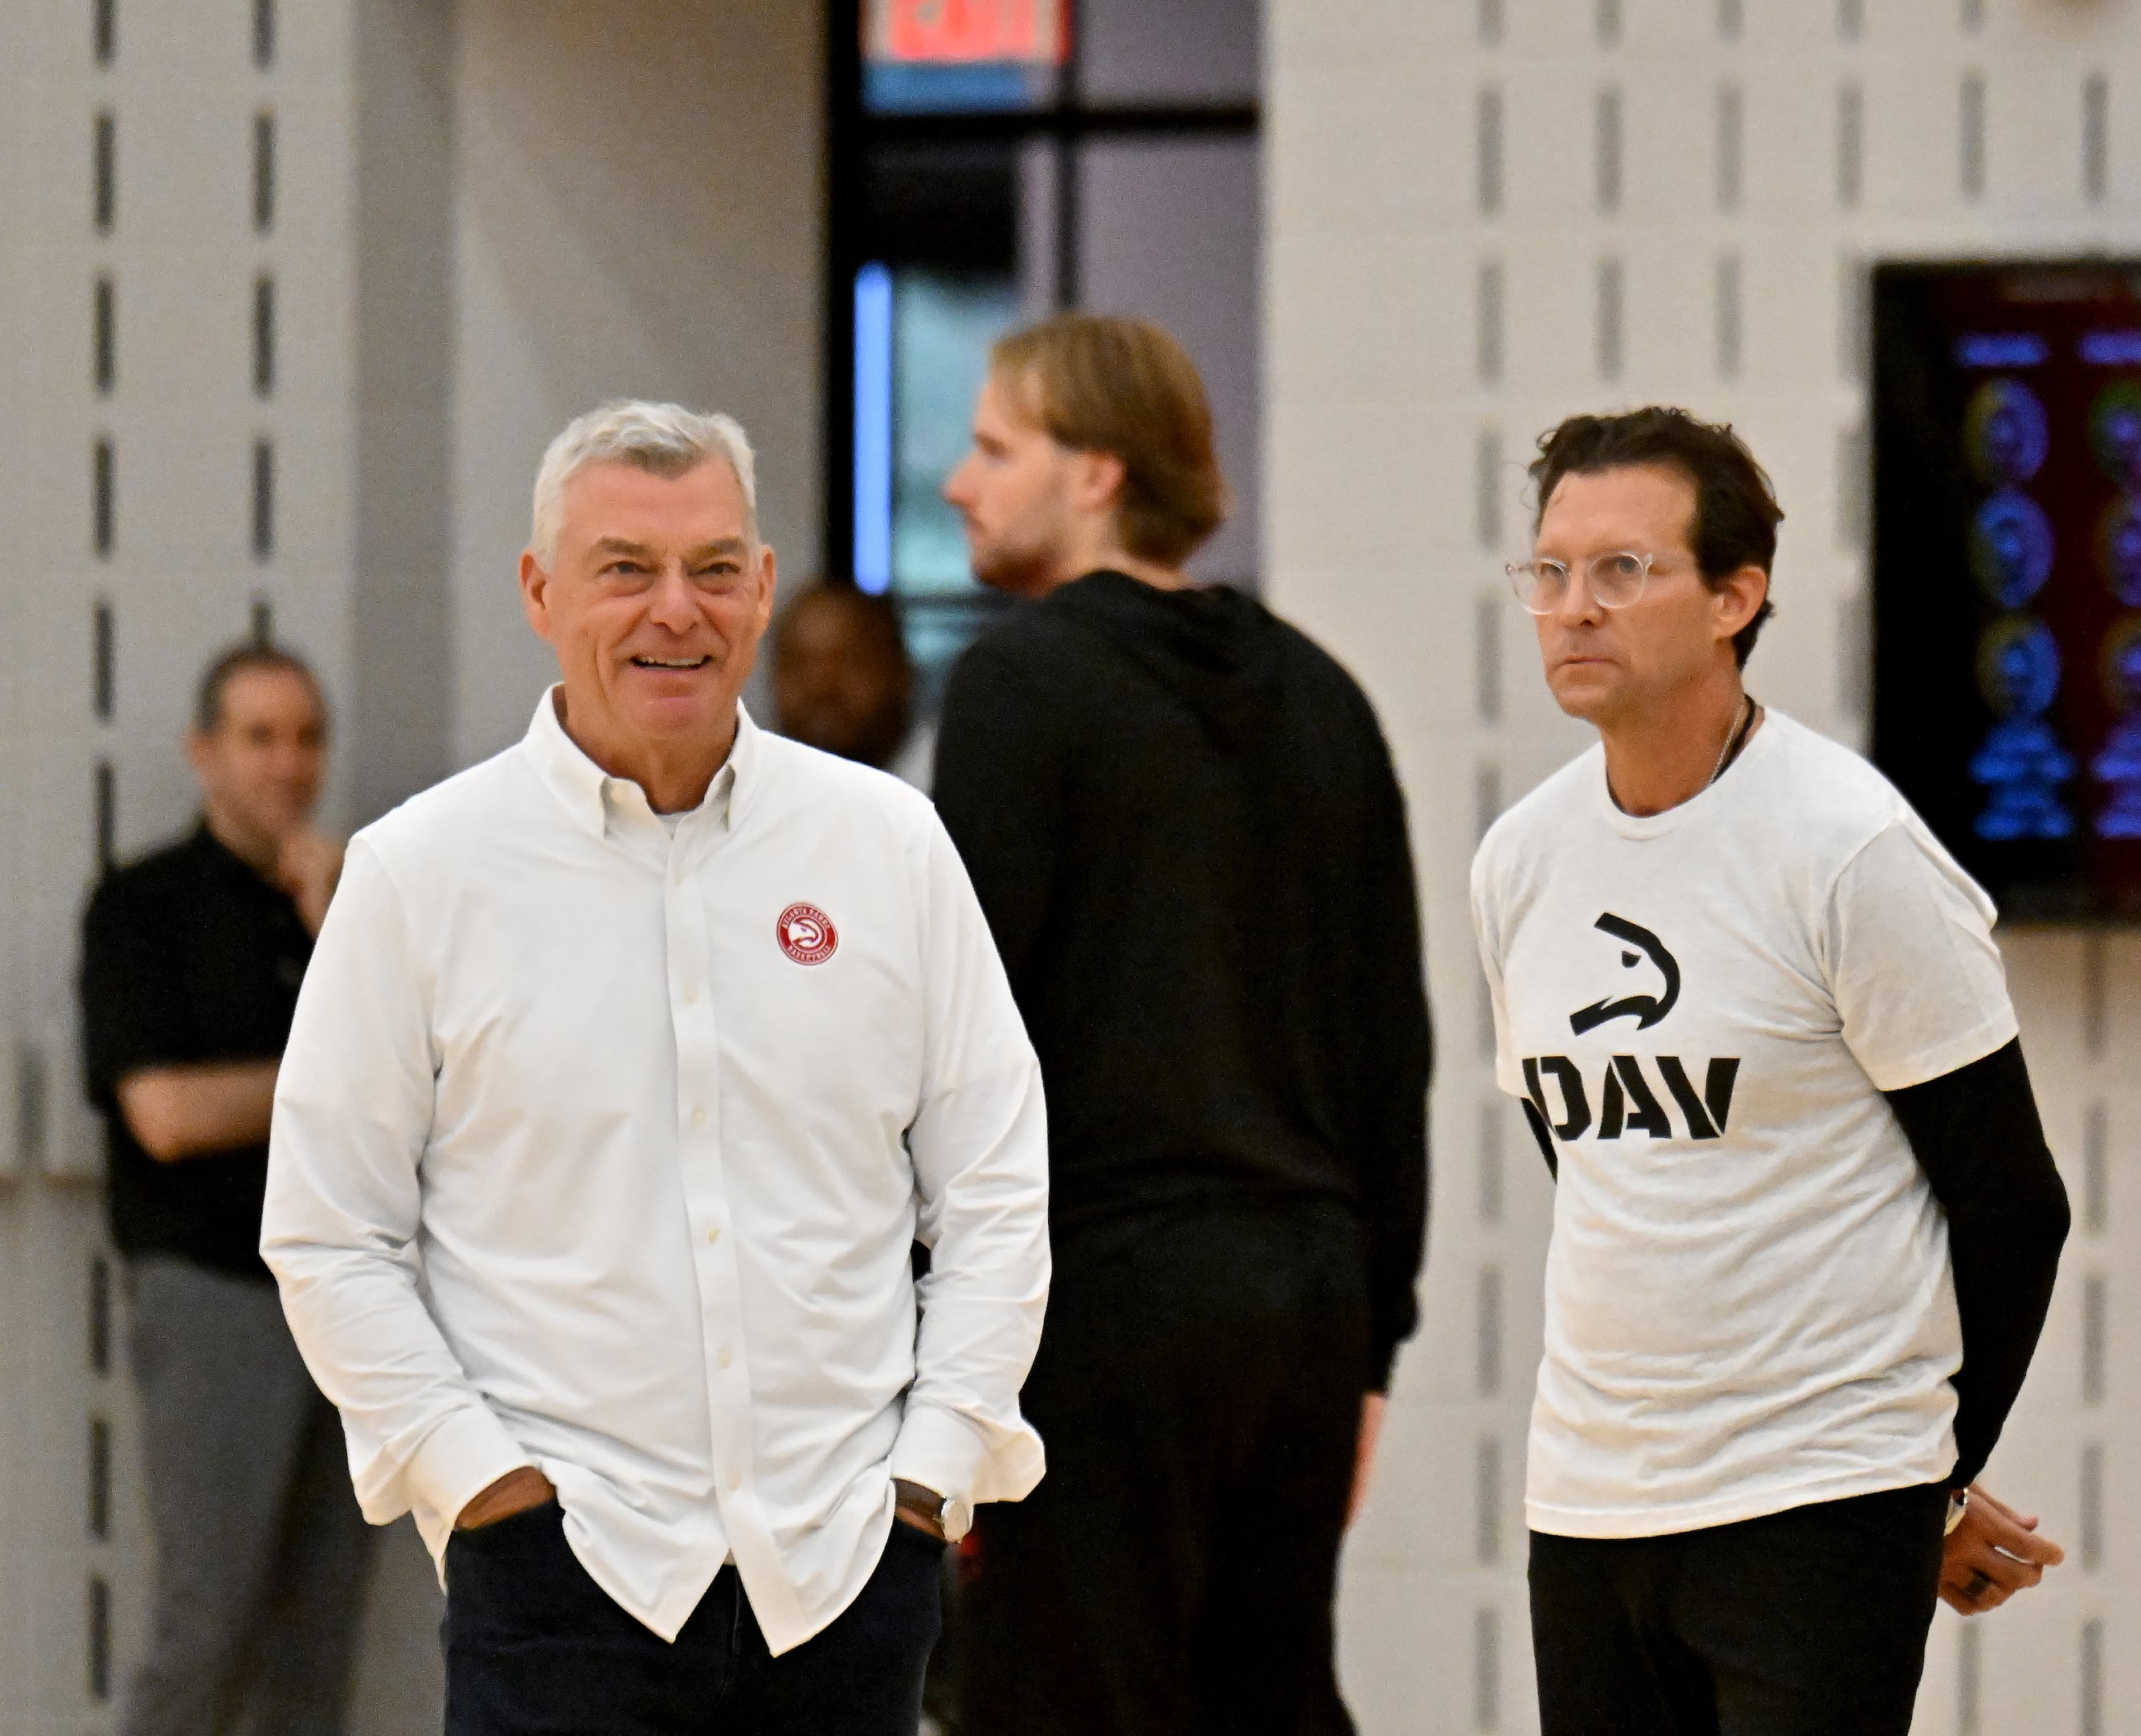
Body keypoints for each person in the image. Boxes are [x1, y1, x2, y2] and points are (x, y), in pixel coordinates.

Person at [261, 400, 1054, 1736]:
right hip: (559, 1584)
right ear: (540, 591)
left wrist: (930, 1477)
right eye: (625, 567)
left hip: (847, 1579)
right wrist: (482, 1488)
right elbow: (330, 1234)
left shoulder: (892, 848)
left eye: (716, 568)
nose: (675, 611)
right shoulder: (420, 874)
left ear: (758, 587)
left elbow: (993, 1192)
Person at [1471, 407, 2073, 1736]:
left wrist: (1934, 1481)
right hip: (1588, 1500)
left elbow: (2014, 1204)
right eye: (1552, 572)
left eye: (1623, 571)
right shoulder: (1517, 863)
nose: (1574, 608)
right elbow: (1600, 1170)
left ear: (1737, 597)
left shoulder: (1848, 849)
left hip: (1817, 1501)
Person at [929, 313, 1430, 1736]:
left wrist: (928, 1337)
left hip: (1105, 1303)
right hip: (1308, 1306)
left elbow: (973, 1035)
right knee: (1264, 1703)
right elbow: (1395, 1056)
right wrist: (1371, 1350)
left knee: (1064, 1705)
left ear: (1096, 473)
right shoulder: (1327, 694)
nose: (961, 483)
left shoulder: (1021, 681)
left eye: (992, 447)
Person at [79, 641, 370, 1736]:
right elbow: (167, 1116)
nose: (287, 765)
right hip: (216, 1294)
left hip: (351, 1303)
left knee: (318, 1649)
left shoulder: (350, 909)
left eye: (306, 738)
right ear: (205, 753)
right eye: (258, 736)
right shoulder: (143, 906)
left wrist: (333, 926)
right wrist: (329, 1076)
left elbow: (423, 1089)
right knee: (207, 1624)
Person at [771, 579, 928, 784]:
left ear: (902, 674)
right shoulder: (747, 797)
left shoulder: (955, 784)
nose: (820, 687)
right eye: (797, 665)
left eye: (850, 662)